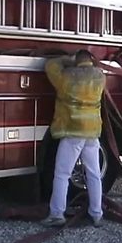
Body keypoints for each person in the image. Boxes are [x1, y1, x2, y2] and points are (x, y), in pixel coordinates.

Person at [41, 49, 106, 227]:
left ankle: (57, 214)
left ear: (76, 60)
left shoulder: (66, 77)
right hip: (92, 132)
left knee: (62, 174)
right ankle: (96, 214)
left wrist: (66, 59)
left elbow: (50, 65)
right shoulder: (100, 76)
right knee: (94, 174)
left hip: (73, 131)